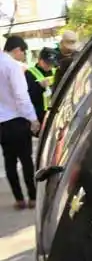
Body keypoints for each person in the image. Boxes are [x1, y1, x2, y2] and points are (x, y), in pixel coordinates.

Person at [1, 36, 41, 209]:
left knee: (9, 161)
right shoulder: (12, 66)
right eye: (23, 52)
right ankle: (32, 197)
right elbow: (21, 96)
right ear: (17, 49)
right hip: (17, 120)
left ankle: (19, 199)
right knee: (26, 160)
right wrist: (33, 119)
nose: (23, 56)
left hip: (1, 124)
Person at [25, 48, 58, 126]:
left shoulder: (55, 71)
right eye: (47, 63)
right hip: (39, 114)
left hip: (53, 113)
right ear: (40, 60)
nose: (50, 66)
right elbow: (28, 96)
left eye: (52, 64)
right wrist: (40, 87)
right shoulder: (30, 73)